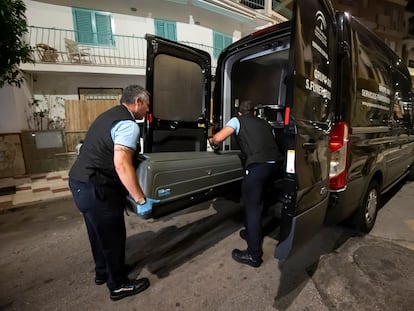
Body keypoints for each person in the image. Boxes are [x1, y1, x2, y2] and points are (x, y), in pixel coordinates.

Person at [68, 85, 159, 301]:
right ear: (137, 101)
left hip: (80, 182)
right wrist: (140, 198)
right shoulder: (128, 125)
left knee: (97, 233)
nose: (147, 109)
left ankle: (103, 272)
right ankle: (118, 285)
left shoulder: (108, 115)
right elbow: (121, 165)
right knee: (113, 237)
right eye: (146, 104)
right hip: (97, 187)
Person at [209, 100, 282, 268]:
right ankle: (251, 233)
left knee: (252, 207)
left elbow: (219, 137)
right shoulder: (265, 123)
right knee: (260, 201)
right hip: (275, 166)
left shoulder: (237, 120)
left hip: (257, 167)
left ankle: (253, 255)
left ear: (240, 113)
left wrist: (213, 142)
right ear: (255, 112)